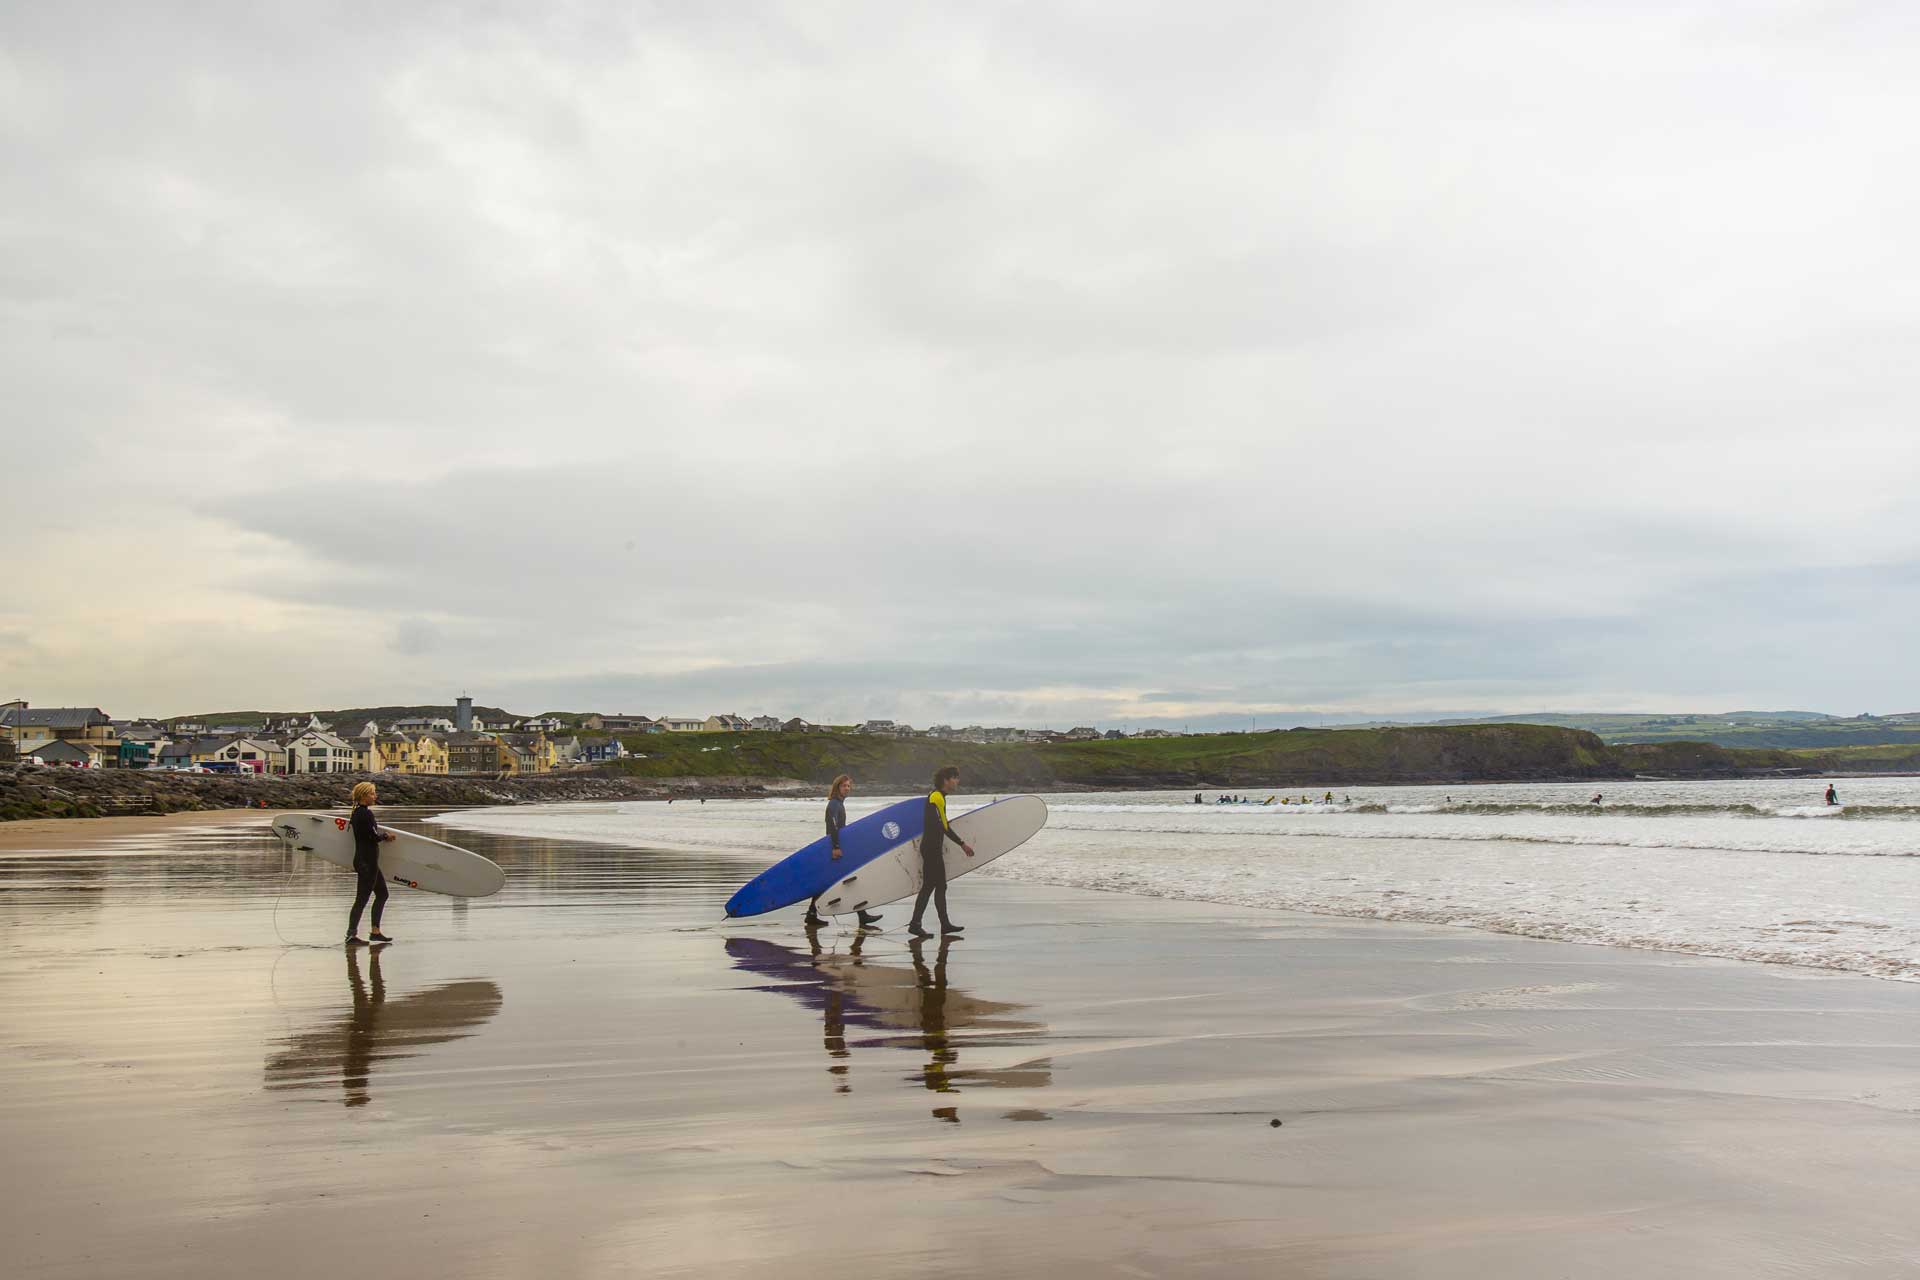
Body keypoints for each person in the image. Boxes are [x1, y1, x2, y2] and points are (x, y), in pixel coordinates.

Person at [806, 774, 881, 928]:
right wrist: (836, 847)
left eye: (848, 786)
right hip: (833, 848)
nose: (847, 788)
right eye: (844, 786)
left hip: (835, 846)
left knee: (833, 881)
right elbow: (833, 826)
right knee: (849, 880)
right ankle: (862, 915)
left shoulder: (839, 804)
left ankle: (811, 914)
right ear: (837, 787)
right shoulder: (834, 804)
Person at [908, 766, 974, 938]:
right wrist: (962, 844)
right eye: (955, 778)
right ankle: (928, 924)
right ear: (946, 780)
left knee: (933, 886)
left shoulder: (939, 797)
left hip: (932, 848)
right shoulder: (936, 797)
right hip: (931, 849)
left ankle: (926, 924)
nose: (957, 781)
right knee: (935, 887)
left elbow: (941, 825)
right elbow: (944, 826)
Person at [345, 780, 397, 946]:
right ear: (364, 795)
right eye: (373, 793)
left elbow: (368, 835)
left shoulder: (359, 812)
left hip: (367, 861)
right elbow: (372, 837)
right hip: (366, 862)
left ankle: (375, 932)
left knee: (382, 894)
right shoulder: (364, 814)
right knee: (362, 898)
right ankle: (351, 935)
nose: (375, 796)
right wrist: (385, 836)